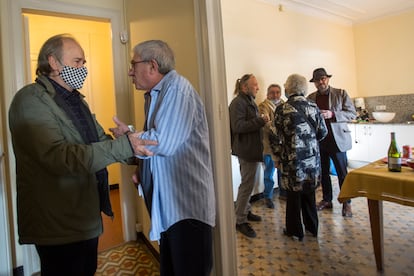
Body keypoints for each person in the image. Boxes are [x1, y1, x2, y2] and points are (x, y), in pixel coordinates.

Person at [8, 34, 156, 276]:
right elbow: (60, 158)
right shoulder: (30, 100)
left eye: (84, 63)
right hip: (57, 222)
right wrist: (126, 146)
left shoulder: (77, 101)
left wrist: (136, 150)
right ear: (53, 62)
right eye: (77, 61)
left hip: (84, 216)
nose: (82, 69)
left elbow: (100, 141)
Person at [110, 40, 216, 276]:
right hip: (170, 209)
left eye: (133, 64)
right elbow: (162, 145)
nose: (130, 71)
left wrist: (127, 136)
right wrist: (142, 168)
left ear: (152, 66)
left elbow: (162, 143)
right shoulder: (155, 94)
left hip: (186, 210)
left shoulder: (177, 89)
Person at [271, 74, 328, 241]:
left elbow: (274, 135)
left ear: (288, 89)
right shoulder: (313, 106)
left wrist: (279, 154)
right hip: (312, 160)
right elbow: (323, 132)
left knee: (294, 197)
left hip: (292, 160)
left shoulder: (282, 109)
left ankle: (295, 230)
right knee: (310, 193)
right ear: (303, 88)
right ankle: (312, 228)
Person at [307, 68, 357, 217]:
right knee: (323, 173)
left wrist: (332, 114)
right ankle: (327, 200)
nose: (321, 82)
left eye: (323, 79)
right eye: (317, 80)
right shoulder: (310, 98)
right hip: (320, 141)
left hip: (338, 140)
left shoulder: (340, 93)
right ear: (314, 83)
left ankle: (347, 203)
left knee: (342, 173)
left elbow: (352, 113)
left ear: (327, 79)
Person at [229, 74, 268, 238]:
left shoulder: (248, 101)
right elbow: (238, 126)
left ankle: (245, 210)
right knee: (247, 185)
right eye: (255, 85)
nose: (258, 88)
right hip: (246, 150)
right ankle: (240, 220)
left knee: (249, 184)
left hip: (250, 149)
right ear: (245, 87)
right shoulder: (238, 103)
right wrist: (260, 121)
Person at [258, 84, 285, 208]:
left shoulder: (284, 105)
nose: (275, 95)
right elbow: (266, 124)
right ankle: (267, 196)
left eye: (278, 92)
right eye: (272, 92)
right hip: (268, 146)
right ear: (267, 94)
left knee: (282, 171)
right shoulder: (263, 107)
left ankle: (283, 193)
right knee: (269, 172)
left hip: (283, 145)